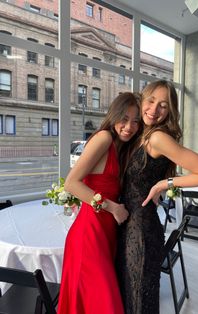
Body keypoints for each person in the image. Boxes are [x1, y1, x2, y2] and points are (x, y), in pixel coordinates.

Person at [116, 80, 198, 314]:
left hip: (141, 233)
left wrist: (165, 183)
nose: (154, 110)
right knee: (129, 300)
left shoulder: (157, 138)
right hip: (129, 227)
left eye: (163, 105)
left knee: (139, 304)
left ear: (170, 110)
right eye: (151, 101)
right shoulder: (138, 134)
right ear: (142, 100)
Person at [57, 92, 142, 314]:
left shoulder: (118, 146)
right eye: (124, 118)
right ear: (114, 115)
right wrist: (113, 207)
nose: (129, 126)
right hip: (89, 236)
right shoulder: (103, 138)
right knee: (105, 304)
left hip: (104, 234)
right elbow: (71, 183)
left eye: (135, 121)